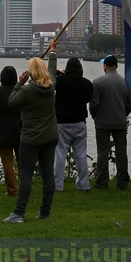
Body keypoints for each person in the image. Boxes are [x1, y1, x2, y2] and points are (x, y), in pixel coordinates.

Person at [2, 39, 59, 223]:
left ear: (30, 73)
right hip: (50, 137)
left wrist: (19, 83)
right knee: (48, 174)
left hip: (31, 139)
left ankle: (19, 213)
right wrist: (52, 52)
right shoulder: (51, 87)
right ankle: (45, 212)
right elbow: (52, 70)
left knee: (26, 175)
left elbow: (10, 104)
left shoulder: (27, 91)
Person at [89, 55, 131, 190]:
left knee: (102, 152)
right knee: (121, 152)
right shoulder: (127, 83)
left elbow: (93, 104)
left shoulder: (97, 82)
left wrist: (95, 117)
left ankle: (102, 182)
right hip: (120, 122)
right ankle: (122, 182)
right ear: (117, 66)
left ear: (105, 66)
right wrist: (122, 113)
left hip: (102, 123)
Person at [53, 57, 92, 192]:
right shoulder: (87, 84)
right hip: (80, 123)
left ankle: (57, 185)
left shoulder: (61, 82)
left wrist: (59, 74)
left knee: (59, 154)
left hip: (62, 123)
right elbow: (88, 98)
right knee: (81, 155)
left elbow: (51, 79)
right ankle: (83, 184)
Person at [0, 66, 20, 196]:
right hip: (20, 129)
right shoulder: (21, 91)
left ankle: (12, 189)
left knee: (7, 162)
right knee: (23, 161)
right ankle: (25, 187)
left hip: (4, 130)